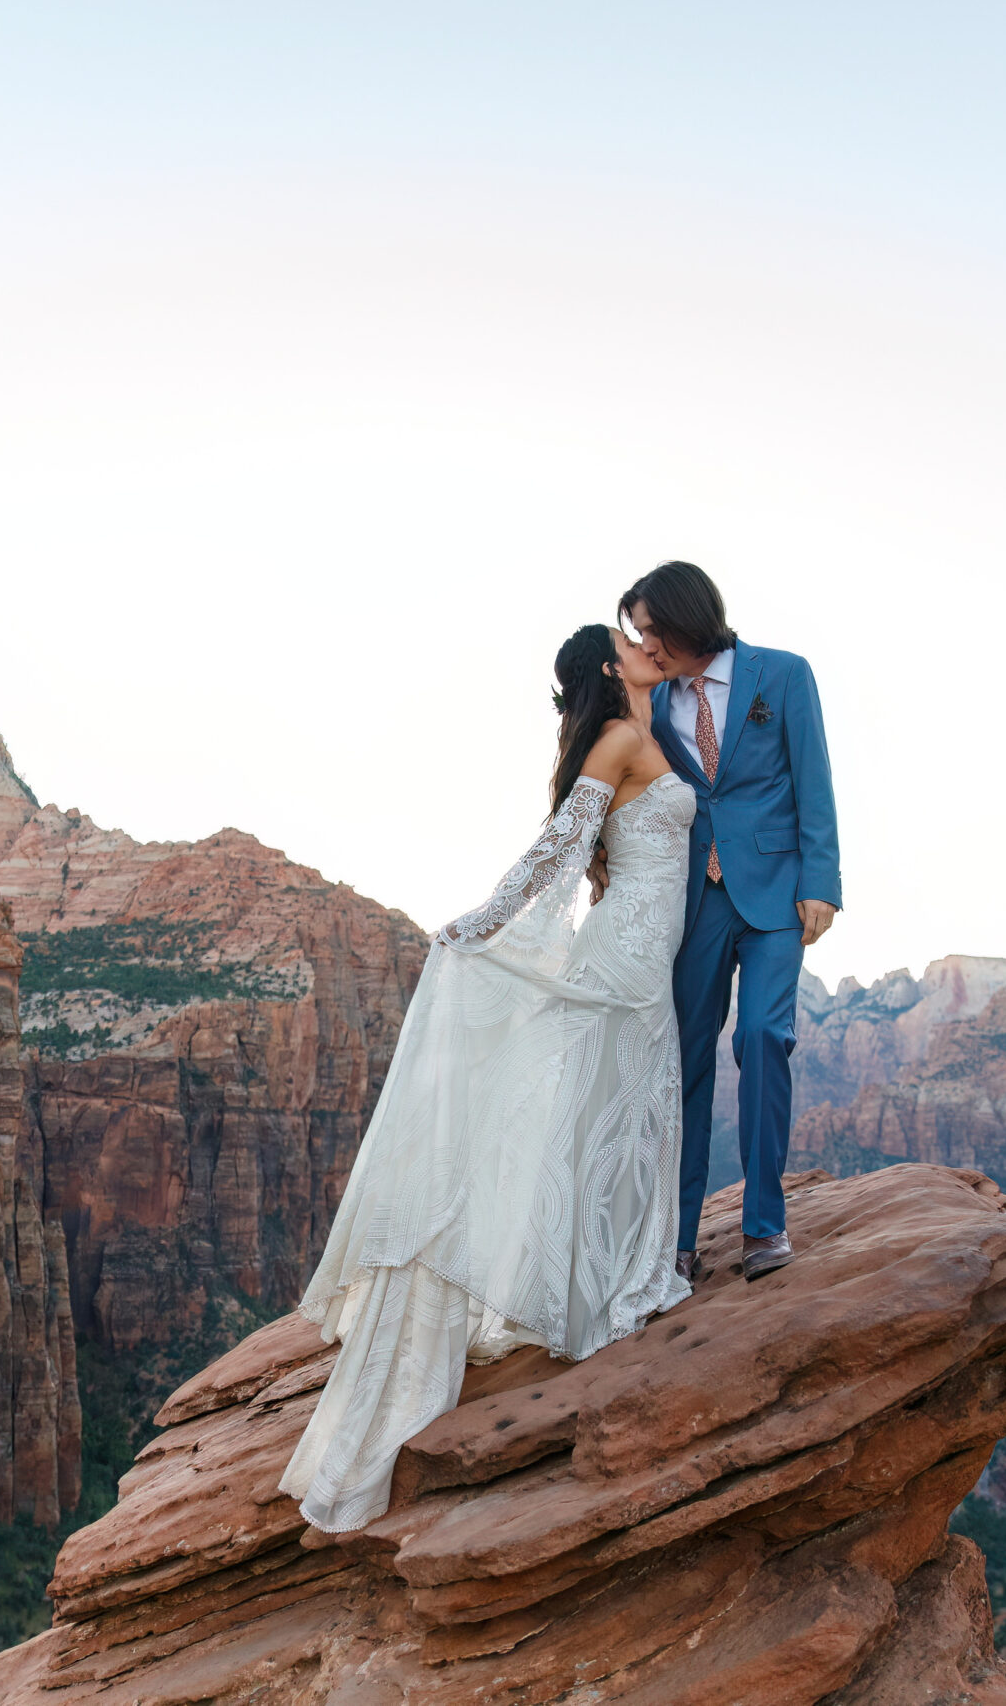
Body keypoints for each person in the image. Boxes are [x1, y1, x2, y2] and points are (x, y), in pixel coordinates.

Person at [278, 624, 694, 1533]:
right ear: (606, 668)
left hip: (651, 949)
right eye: (629, 643)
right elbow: (559, 846)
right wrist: (483, 919)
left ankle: (616, 1266)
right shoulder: (621, 741)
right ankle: (577, 1276)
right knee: (586, 1106)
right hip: (624, 949)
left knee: (625, 1109)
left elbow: (643, 839)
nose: (645, 647)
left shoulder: (655, 732)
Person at [618, 561, 840, 1283]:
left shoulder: (784, 675)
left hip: (777, 896)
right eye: (640, 635)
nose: (648, 646)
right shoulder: (652, 702)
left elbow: (814, 780)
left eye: (654, 630)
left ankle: (764, 1226)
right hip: (696, 900)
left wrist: (822, 882)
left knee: (764, 1035)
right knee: (684, 1057)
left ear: (689, 618)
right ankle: (676, 1239)